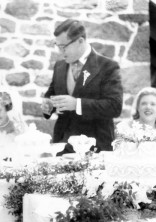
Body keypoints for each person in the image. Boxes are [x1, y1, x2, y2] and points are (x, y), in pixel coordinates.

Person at [41, 19, 123, 153]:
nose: (60, 52)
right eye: (58, 46)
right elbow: (51, 96)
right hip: (62, 147)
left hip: (96, 147)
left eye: (64, 47)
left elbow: (114, 107)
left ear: (80, 41)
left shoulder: (108, 66)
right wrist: (48, 107)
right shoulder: (59, 66)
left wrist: (77, 104)